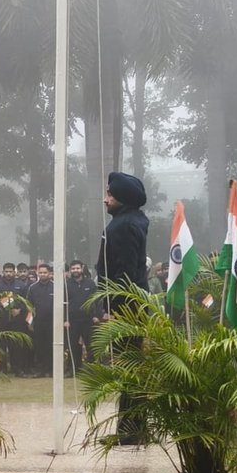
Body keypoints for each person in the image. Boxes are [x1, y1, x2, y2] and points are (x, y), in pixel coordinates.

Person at [95, 172, 150, 445]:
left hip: (126, 308)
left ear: (123, 199)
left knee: (130, 369)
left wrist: (115, 309)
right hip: (133, 306)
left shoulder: (123, 226)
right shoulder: (131, 221)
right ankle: (134, 427)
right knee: (133, 368)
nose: (105, 200)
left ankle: (131, 431)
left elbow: (124, 274)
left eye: (110, 196)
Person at [64, 260, 98, 375]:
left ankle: (92, 369)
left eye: (77, 268)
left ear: (82, 269)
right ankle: (73, 369)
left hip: (88, 320)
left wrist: (96, 316)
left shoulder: (90, 283)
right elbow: (63, 303)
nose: (75, 271)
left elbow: (97, 300)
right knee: (73, 345)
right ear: (70, 270)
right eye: (73, 269)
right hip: (72, 321)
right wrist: (65, 319)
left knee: (90, 345)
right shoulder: (66, 284)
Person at [27, 264, 55, 378]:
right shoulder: (32, 288)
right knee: (39, 346)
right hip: (38, 322)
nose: (43, 274)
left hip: (53, 322)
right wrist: (30, 322)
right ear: (38, 273)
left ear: (50, 273)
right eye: (41, 272)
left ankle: (51, 370)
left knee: (51, 346)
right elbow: (29, 306)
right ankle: (40, 370)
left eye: (45, 272)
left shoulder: (56, 286)